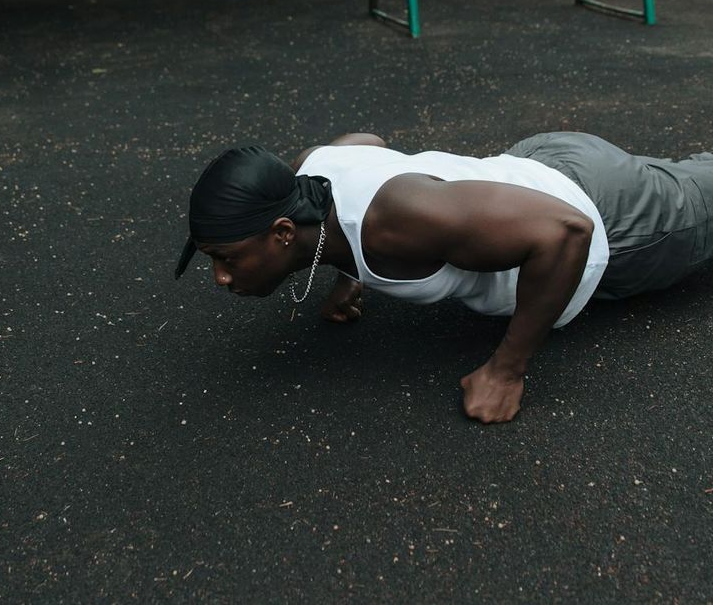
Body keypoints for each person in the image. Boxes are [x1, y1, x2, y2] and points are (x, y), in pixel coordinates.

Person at [175, 131, 713, 424]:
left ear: (283, 232)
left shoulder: (394, 223)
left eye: (226, 258)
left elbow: (564, 234)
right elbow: (363, 142)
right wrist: (348, 273)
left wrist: (506, 371)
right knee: (691, 173)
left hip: (610, 222)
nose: (221, 277)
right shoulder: (309, 173)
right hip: (539, 163)